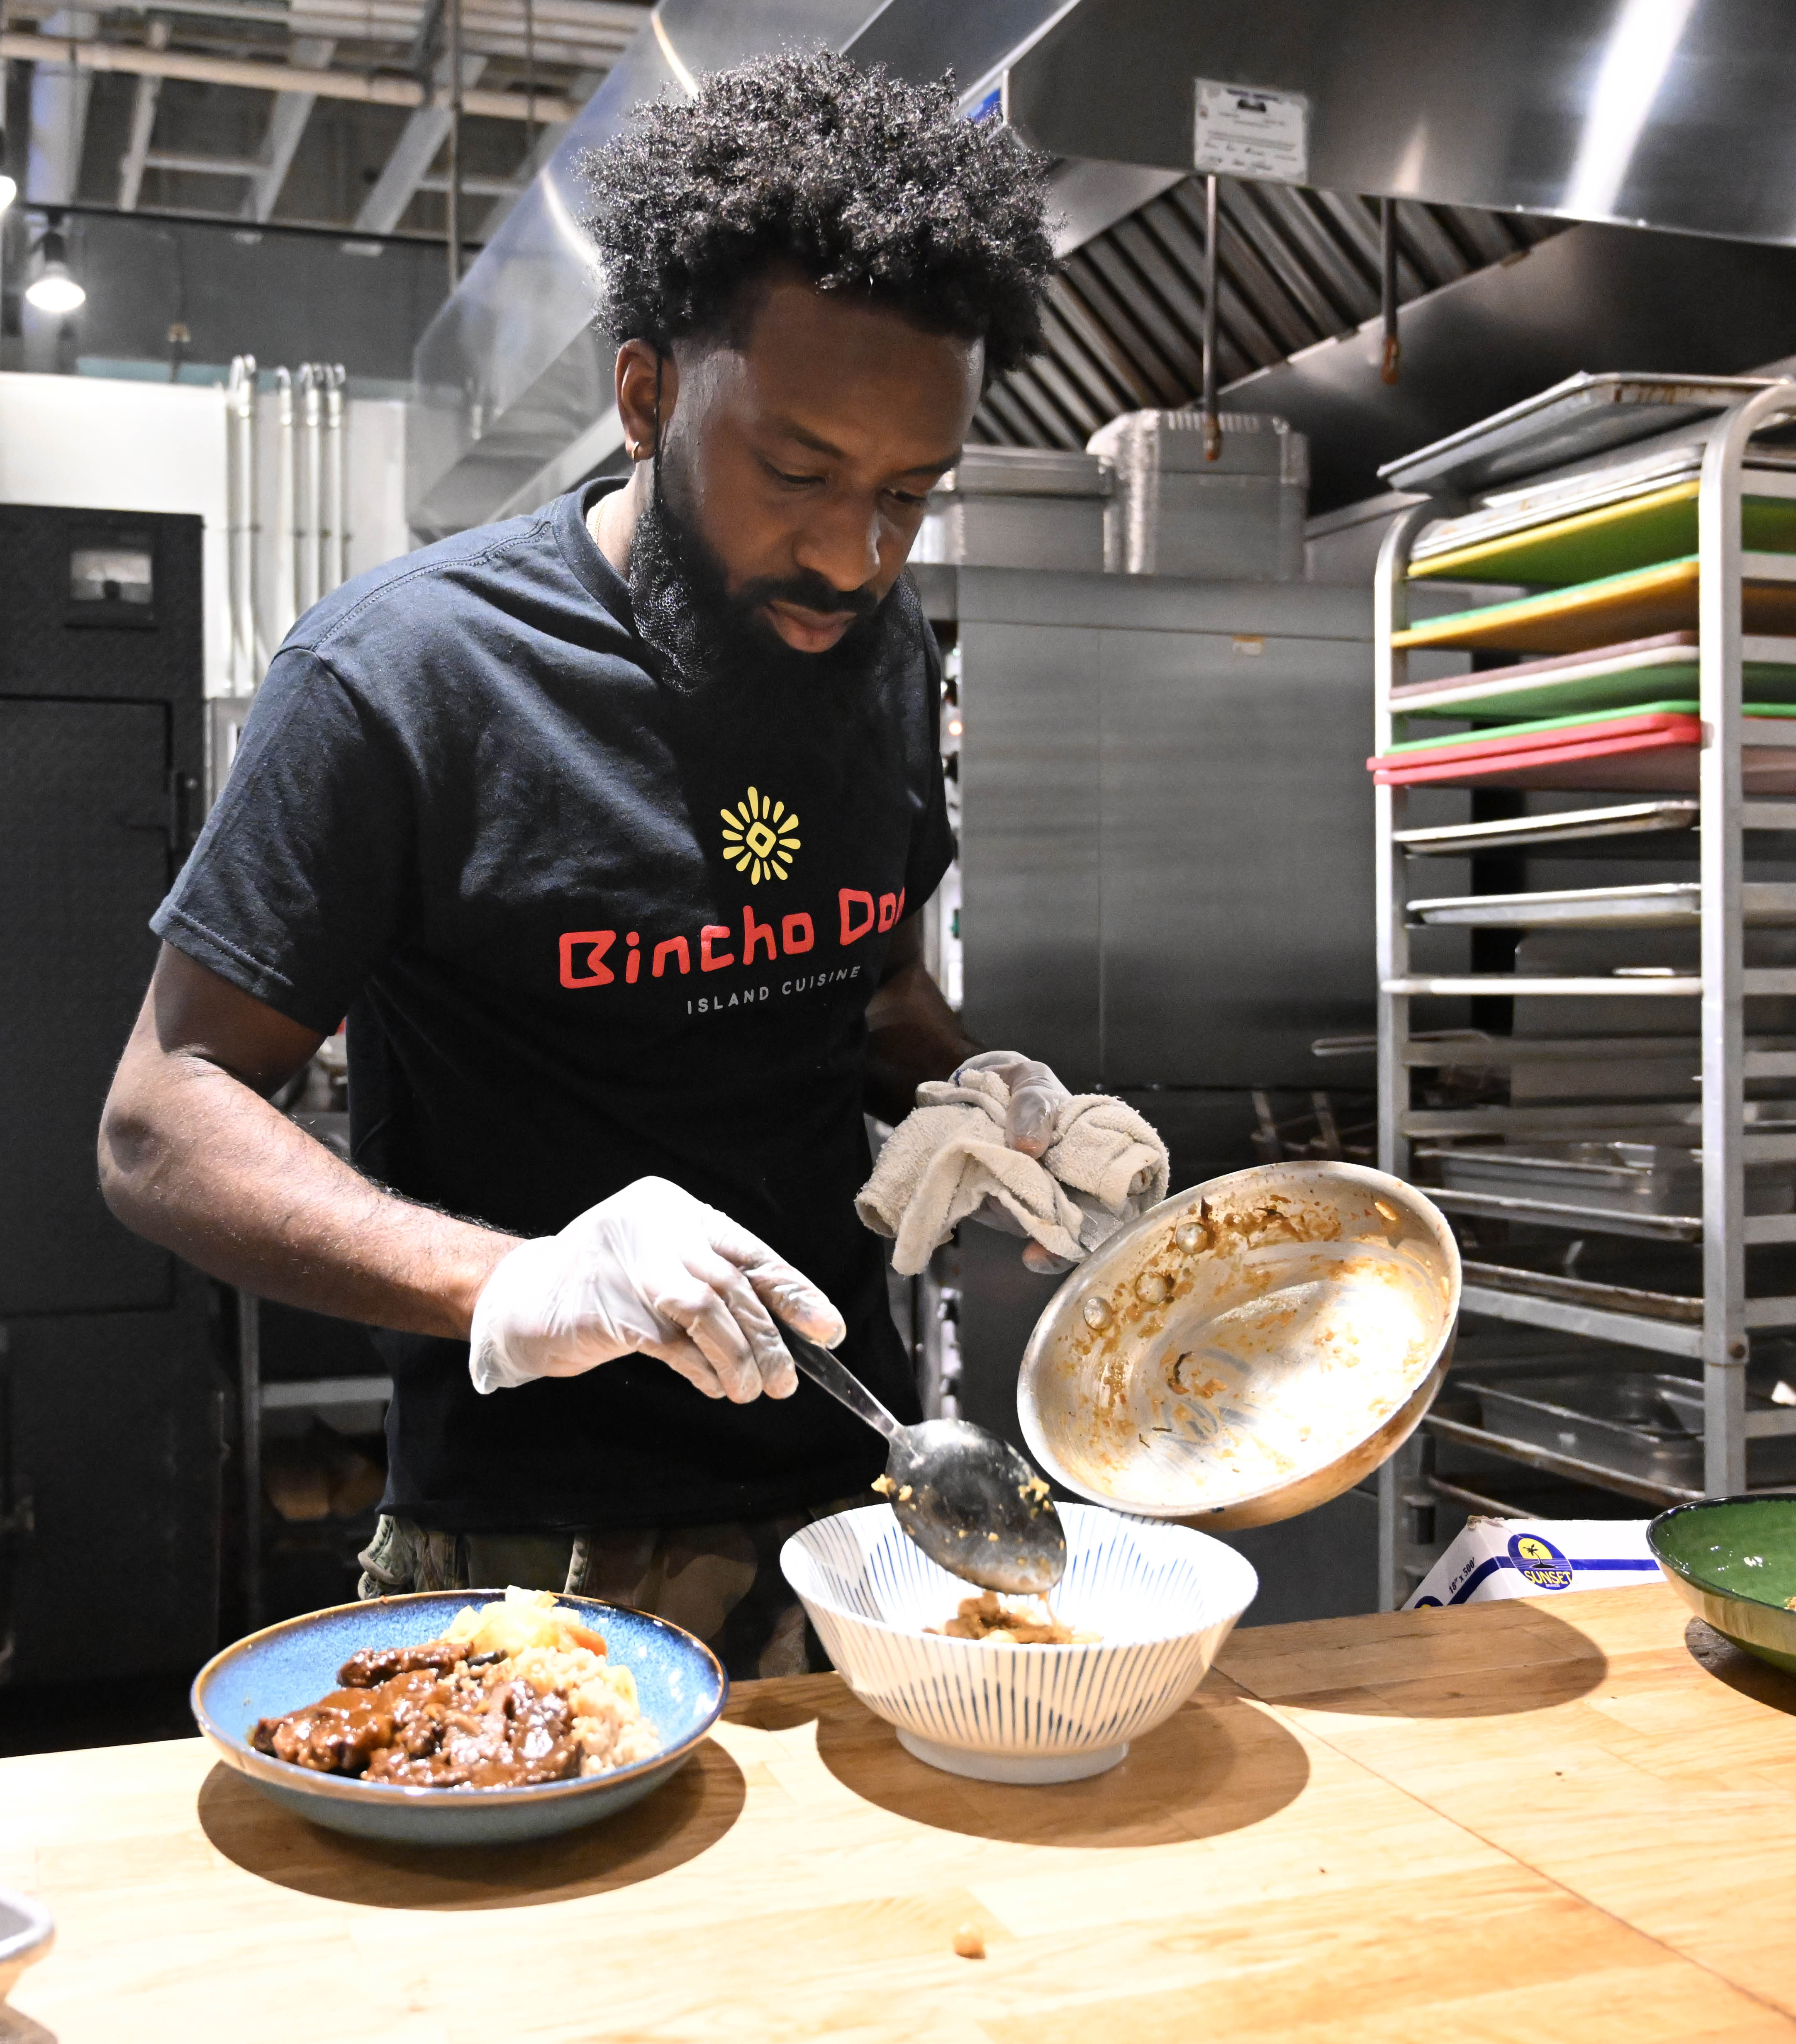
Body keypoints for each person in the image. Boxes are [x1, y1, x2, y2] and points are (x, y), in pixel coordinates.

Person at [100, 50, 1150, 1676]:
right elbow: (160, 1116)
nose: (851, 558)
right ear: (648, 395)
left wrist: (981, 1093)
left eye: (906, 496)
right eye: (798, 473)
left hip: (852, 1514)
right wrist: (518, 1279)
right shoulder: (405, 679)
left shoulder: (875, 655)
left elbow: (854, 975)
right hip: (527, 1550)